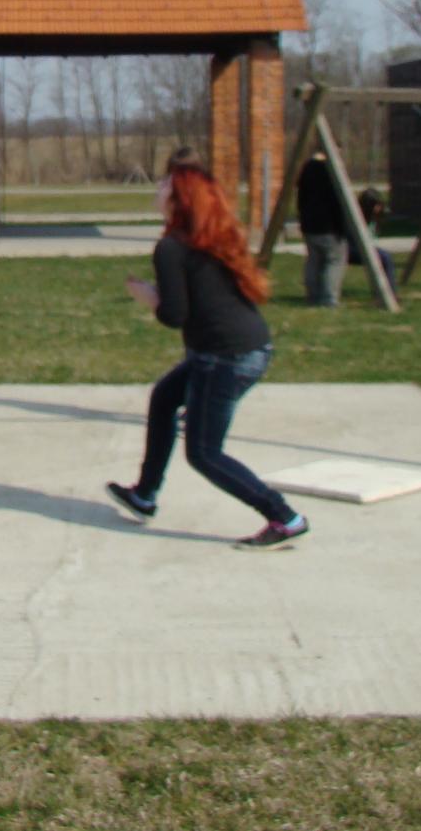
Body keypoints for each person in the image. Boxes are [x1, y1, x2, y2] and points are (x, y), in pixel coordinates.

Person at [107, 152, 309, 550]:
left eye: (166, 183)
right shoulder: (208, 237)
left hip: (226, 357)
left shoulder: (171, 247)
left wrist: (149, 297)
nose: (159, 187)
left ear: (179, 197)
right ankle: (144, 494)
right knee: (165, 398)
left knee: (203, 453)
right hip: (242, 348)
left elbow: (175, 315)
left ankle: (285, 518)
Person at [296, 151, 347, 307]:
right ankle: (329, 298)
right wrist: (342, 226)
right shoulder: (330, 170)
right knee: (334, 261)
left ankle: (313, 296)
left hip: (309, 225)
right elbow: (337, 200)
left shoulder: (307, 169)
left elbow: (300, 197)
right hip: (329, 226)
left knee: (314, 261)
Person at [348, 187, 398, 289]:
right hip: (352, 249)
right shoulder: (356, 216)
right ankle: (390, 291)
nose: (379, 208)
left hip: (364, 248)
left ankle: (386, 288)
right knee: (385, 257)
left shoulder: (374, 217)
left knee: (384, 257)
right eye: (376, 205)